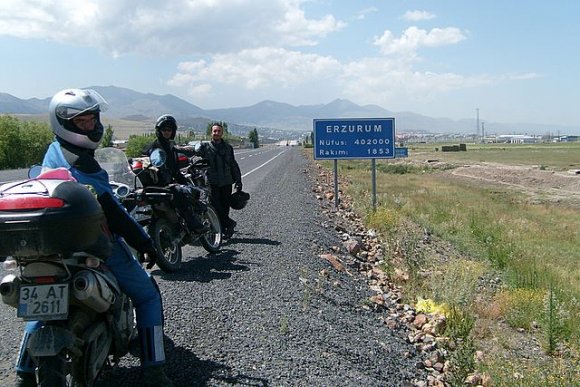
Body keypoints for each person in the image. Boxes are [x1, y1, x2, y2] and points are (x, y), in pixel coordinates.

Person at [14, 89, 172, 387]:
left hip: (53, 247)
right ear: (65, 123)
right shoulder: (83, 163)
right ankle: (155, 369)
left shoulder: (54, 151)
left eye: (92, 119)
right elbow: (115, 213)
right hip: (94, 244)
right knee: (148, 295)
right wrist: (145, 243)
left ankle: (23, 372)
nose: (92, 126)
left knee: (47, 301)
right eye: (82, 121)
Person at [142, 114, 206, 234]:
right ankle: (194, 225)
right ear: (159, 131)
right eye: (164, 129)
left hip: (167, 181)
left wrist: (184, 181)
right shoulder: (154, 147)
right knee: (182, 194)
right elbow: (149, 158)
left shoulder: (170, 146)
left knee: (192, 190)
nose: (166, 132)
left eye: (169, 130)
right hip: (160, 184)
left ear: (173, 131)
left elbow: (175, 170)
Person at [193, 123, 242, 238]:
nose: (216, 133)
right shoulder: (205, 148)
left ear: (222, 133)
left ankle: (225, 228)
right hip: (212, 182)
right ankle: (229, 224)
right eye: (214, 131)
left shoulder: (228, 148)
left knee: (225, 206)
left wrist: (238, 181)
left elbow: (233, 164)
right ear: (211, 133)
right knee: (215, 205)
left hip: (226, 181)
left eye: (219, 131)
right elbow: (193, 156)